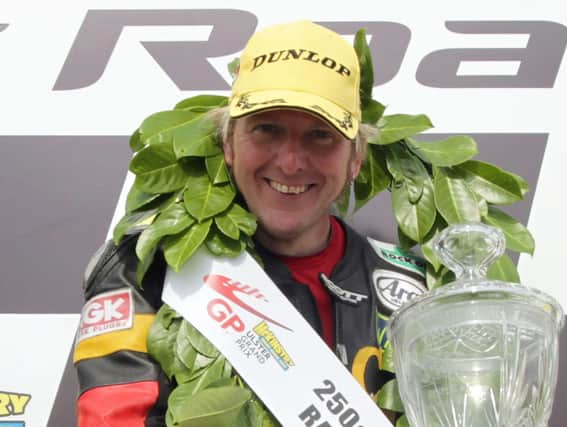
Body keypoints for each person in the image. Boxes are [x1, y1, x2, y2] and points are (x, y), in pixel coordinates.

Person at [73, 20, 427, 426]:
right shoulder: (148, 268)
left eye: (321, 135)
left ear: (356, 159)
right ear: (228, 143)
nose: (291, 162)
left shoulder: (412, 287)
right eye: (266, 130)